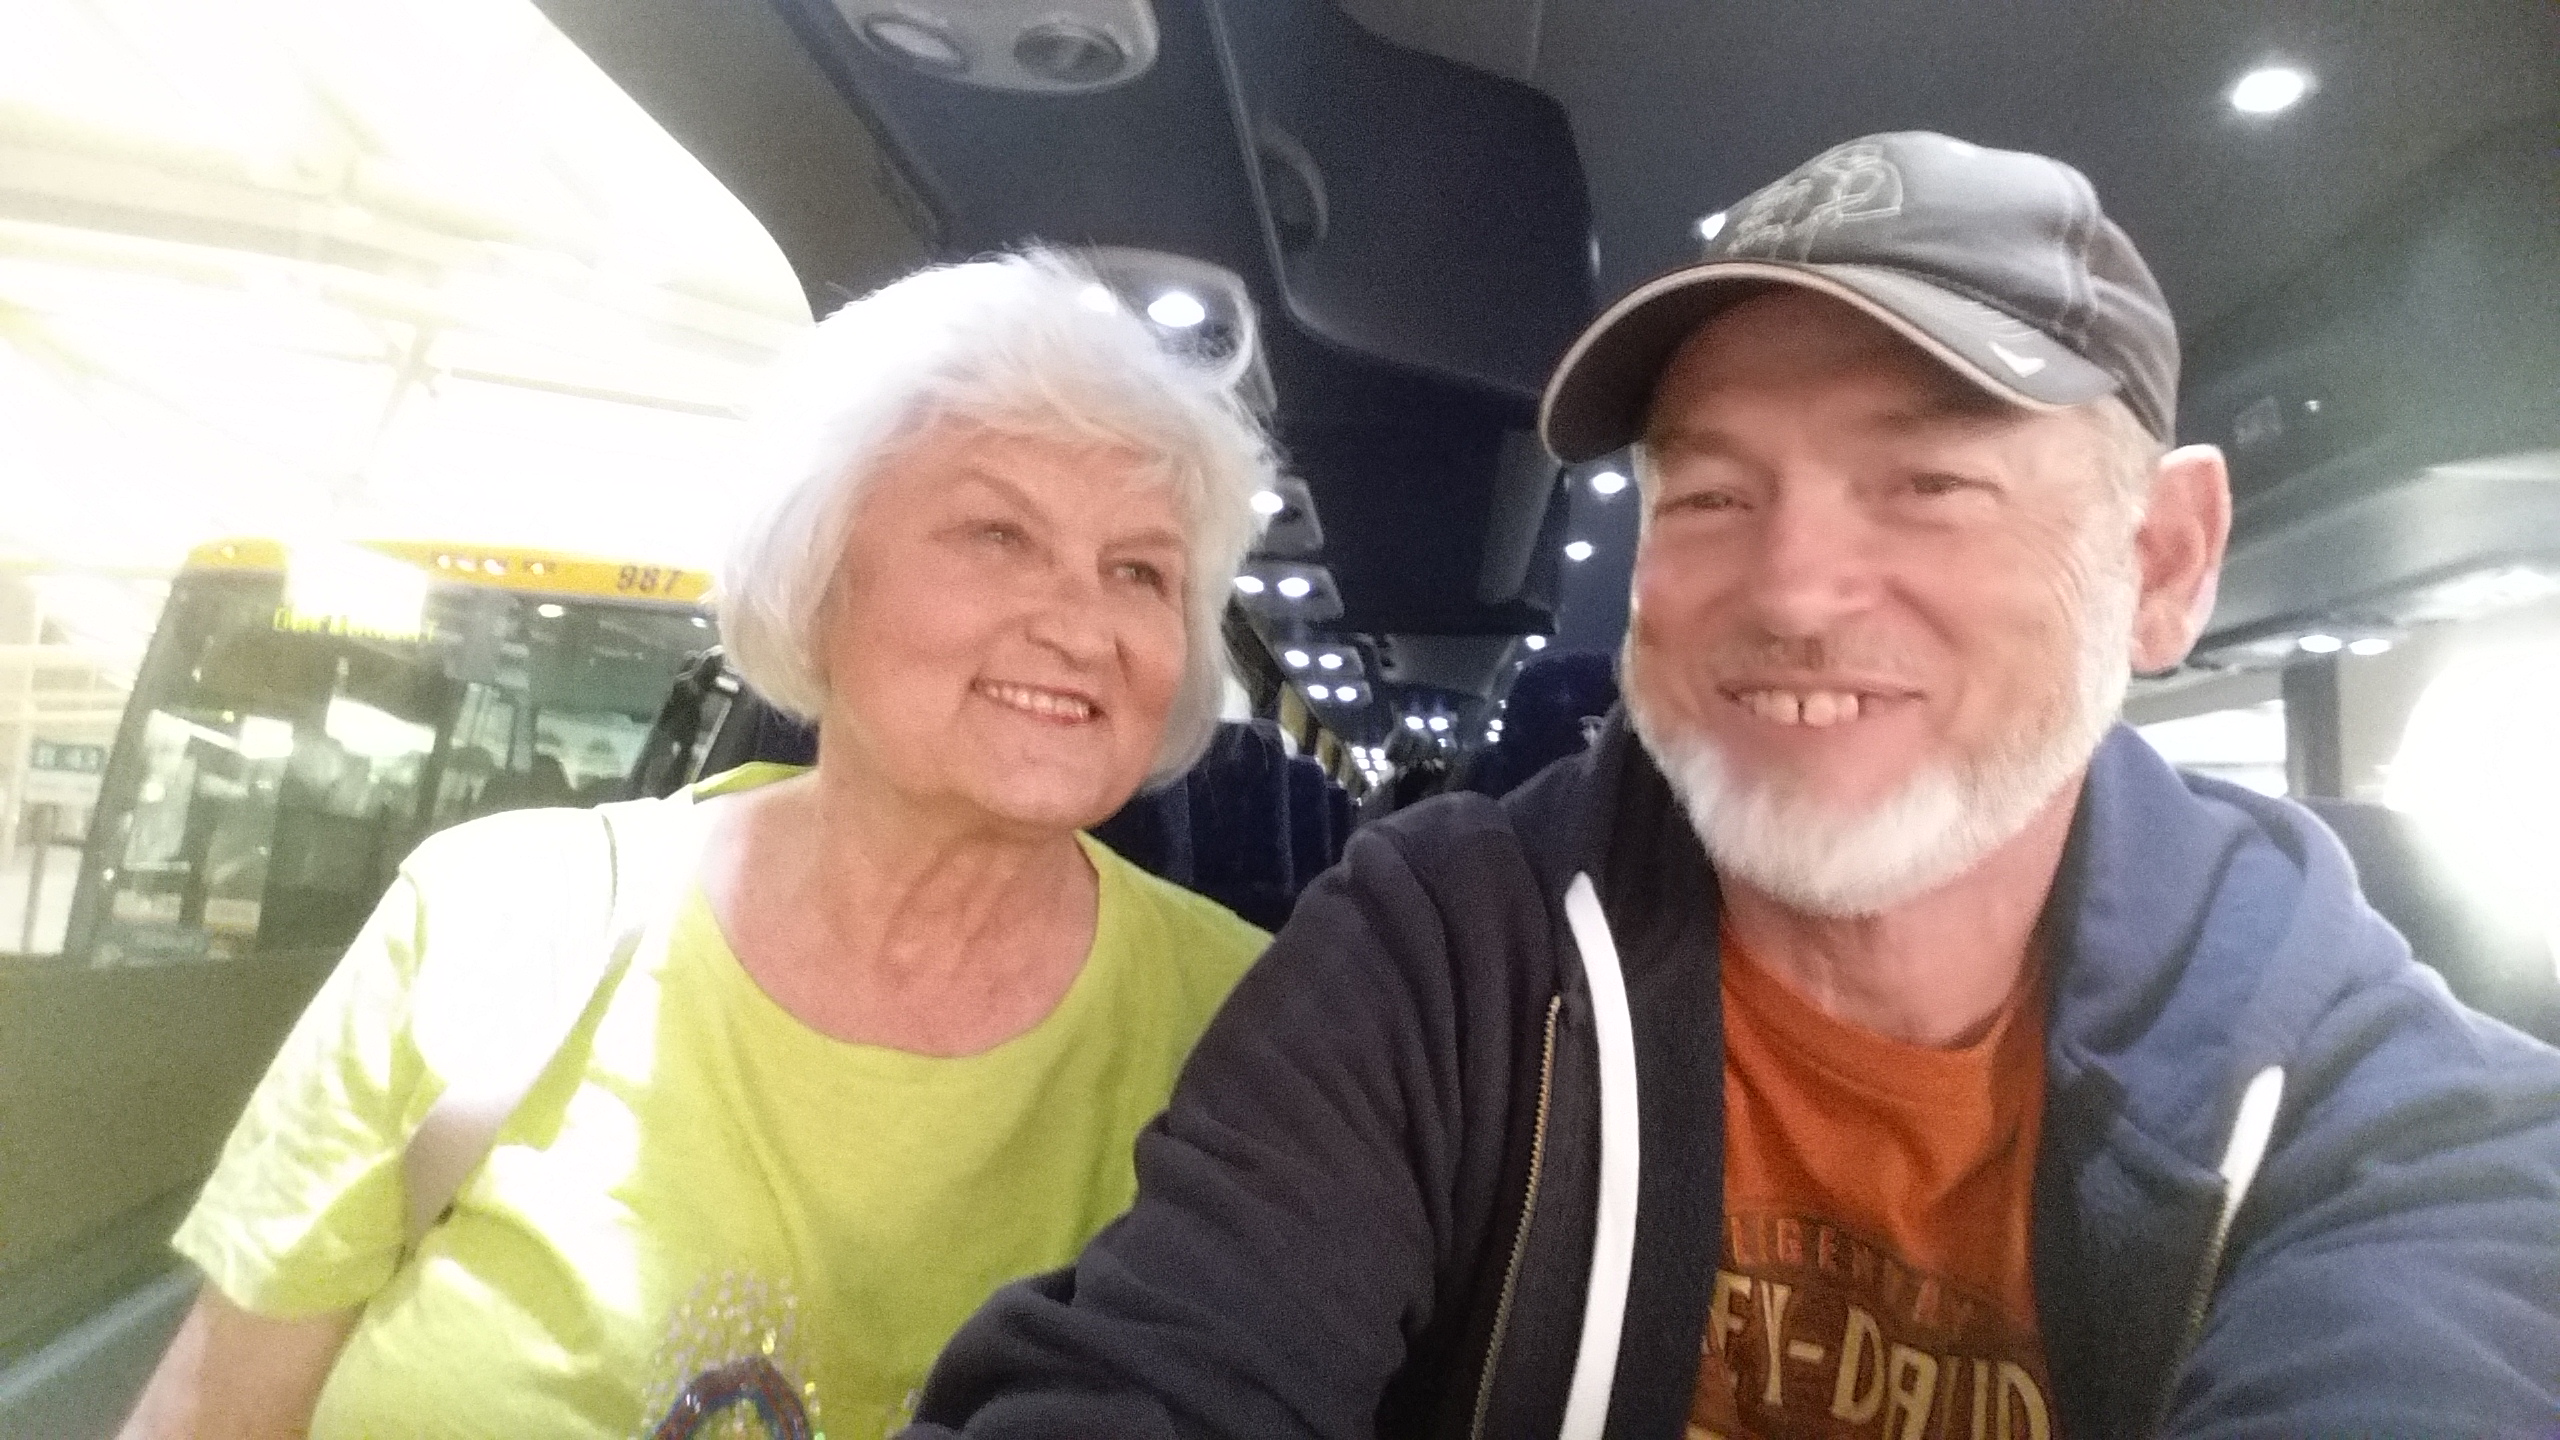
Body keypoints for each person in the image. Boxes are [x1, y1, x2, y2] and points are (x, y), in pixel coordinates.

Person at [905, 134, 2560, 1437]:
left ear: (2167, 561)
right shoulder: (1446, 955)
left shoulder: (2386, 1118)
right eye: (1707, 497)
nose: (1791, 589)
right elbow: (1159, 1373)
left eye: (1926, 480)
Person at [122, 249, 1278, 1439]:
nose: (1083, 625)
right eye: (997, 534)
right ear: (816, 574)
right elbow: (212, 1414)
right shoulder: (490, 916)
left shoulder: (1259, 1025)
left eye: (1138, 570)